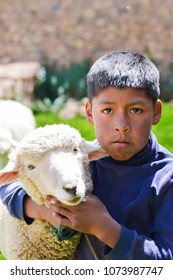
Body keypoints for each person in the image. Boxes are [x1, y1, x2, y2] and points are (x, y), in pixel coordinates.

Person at [1, 51, 173, 260]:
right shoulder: (78, 158)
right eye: (108, 111)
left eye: (136, 110)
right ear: (90, 113)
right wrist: (44, 211)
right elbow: (10, 186)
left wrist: (104, 227)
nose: (121, 126)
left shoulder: (167, 178)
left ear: (155, 112)